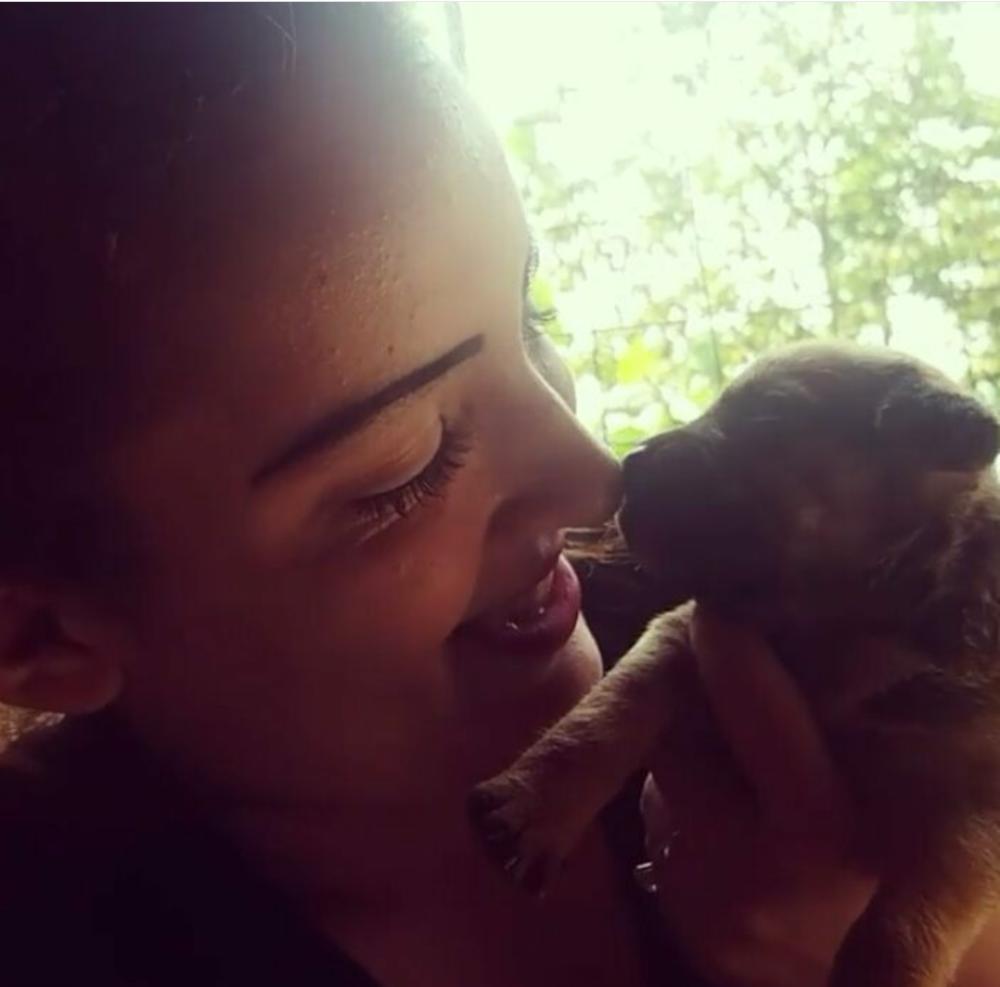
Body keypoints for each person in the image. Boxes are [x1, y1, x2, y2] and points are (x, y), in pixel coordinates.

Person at [0, 6, 998, 986]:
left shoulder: (740, 617)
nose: (595, 477)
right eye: (406, 463)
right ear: (42, 633)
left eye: (530, 320)